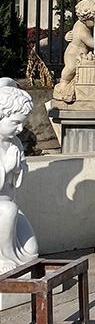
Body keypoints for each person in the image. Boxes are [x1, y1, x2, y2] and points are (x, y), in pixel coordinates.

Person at [0, 82, 38, 273]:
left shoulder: (15, 143)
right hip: (5, 209)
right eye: (15, 123)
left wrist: (17, 168)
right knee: (8, 209)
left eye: (22, 123)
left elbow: (19, 178)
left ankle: (13, 258)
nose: (21, 128)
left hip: (9, 205)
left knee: (31, 251)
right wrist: (6, 167)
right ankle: (3, 258)